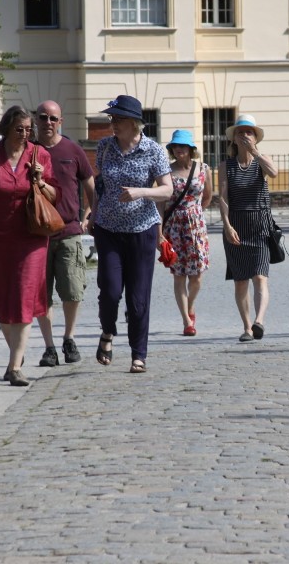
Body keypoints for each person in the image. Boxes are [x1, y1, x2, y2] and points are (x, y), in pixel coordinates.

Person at [0, 105, 58, 387]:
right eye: (20, 129)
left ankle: (15, 365)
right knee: (4, 303)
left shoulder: (39, 154)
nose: (25, 134)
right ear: (6, 128)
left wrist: (40, 181)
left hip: (31, 238)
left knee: (25, 296)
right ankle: (14, 356)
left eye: (29, 130)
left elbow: (55, 196)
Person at [91, 95, 173, 373]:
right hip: (109, 230)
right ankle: (107, 333)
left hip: (142, 230)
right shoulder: (104, 147)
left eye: (119, 119)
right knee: (110, 291)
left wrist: (141, 192)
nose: (113, 124)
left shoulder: (154, 150)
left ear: (135, 123)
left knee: (138, 298)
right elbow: (99, 184)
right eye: (112, 118)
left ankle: (139, 354)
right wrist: (92, 212)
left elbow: (168, 189)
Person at [33, 100, 96, 366]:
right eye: (43, 117)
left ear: (61, 121)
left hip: (69, 230)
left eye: (53, 118)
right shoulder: (29, 151)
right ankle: (49, 347)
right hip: (36, 234)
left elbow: (90, 185)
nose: (48, 122)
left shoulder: (73, 149)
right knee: (40, 294)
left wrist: (90, 214)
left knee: (72, 290)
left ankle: (69, 338)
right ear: (36, 120)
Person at [218, 114, 279, 342]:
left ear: (256, 137)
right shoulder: (226, 166)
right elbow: (223, 197)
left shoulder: (262, 160)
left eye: (249, 132)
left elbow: (273, 173)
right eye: (240, 132)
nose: (245, 135)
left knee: (260, 276)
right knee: (241, 280)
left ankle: (259, 320)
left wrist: (255, 153)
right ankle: (247, 327)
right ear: (233, 138)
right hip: (236, 225)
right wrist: (226, 225)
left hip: (259, 225)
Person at [158, 129, 213, 336]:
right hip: (174, 226)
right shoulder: (166, 171)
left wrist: (195, 213)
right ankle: (186, 321)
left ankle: (190, 307)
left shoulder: (203, 169)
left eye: (182, 146)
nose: (178, 149)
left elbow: (208, 196)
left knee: (197, 276)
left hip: (196, 226)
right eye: (175, 146)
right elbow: (162, 204)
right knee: (179, 275)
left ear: (191, 149)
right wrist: (160, 231)